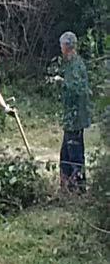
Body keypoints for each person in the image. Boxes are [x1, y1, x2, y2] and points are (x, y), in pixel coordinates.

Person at [54, 31, 92, 191]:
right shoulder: (71, 63)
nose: (61, 48)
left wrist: (62, 83)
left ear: (66, 46)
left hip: (75, 118)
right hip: (71, 117)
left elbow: (77, 89)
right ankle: (68, 186)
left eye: (62, 45)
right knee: (66, 154)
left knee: (74, 152)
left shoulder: (76, 65)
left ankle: (78, 186)